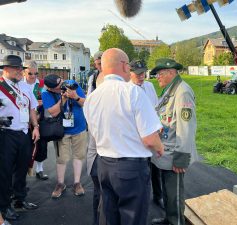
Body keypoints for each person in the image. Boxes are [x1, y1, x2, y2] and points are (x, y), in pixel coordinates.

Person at [84, 48, 164, 225]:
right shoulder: (133, 92)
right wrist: (160, 148)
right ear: (123, 65)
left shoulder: (92, 97)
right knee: (132, 218)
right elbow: (150, 138)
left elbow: (94, 131)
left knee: (108, 215)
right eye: (128, 64)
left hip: (103, 164)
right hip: (131, 167)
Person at [150, 58, 198, 225]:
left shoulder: (182, 92)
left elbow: (187, 127)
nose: (157, 77)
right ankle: (169, 219)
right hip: (166, 152)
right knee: (168, 193)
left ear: (171, 73)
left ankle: (176, 222)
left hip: (175, 154)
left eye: (160, 74)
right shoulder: (170, 90)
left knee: (174, 194)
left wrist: (181, 157)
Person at [0, 55, 40, 221]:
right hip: (6, 134)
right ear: (6, 70)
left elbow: (31, 108)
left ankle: (19, 199)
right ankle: (4, 206)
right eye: (16, 69)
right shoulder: (1, 87)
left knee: (22, 169)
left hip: (24, 133)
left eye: (20, 69)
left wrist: (36, 126)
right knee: (5, 172)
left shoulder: (24, 86)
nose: (19, 72)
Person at [42, 74, 87, 199]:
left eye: (62, 82)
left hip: (80, 128)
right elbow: (53, 112)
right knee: (61, 159)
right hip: (62, 131)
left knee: (79, 156)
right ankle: (60, 184)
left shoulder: (71, 83)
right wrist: (63, 99)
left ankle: (77, 183)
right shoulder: (46, 93)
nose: (63, 86)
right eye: (59, 87)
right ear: (51, 89)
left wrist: (75, 97)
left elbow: (86, 103)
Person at [129, 59, 164, 209]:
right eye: (138, 73)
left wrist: (159, 124)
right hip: (136, 136)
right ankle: (139, 199)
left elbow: (156, 108)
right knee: (140, 171)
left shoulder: (149, 86)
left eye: (143, 72)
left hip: (152, 132)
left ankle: (158, 196)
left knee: (155, 168)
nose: (142, 75)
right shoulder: (127, 89)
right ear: (130, 73)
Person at [23, 60, 48, 180]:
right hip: (24, 121)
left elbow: (47, 100)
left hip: (40, 119)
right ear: (24, 72)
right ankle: (23, 172)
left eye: (36, 73)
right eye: (30, 73)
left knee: (41, 145)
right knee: (25, 146)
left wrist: (42, 102)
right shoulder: (19, 85)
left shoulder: (42, 84)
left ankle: (40, 170)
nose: (33, 76)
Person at [86, 50, 103, 225]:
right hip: (96, 132)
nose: (98, 63)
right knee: (99, 189)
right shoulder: (93, 78)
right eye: (97, 61)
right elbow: (89, 98)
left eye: (101, 60)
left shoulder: (111, 78)